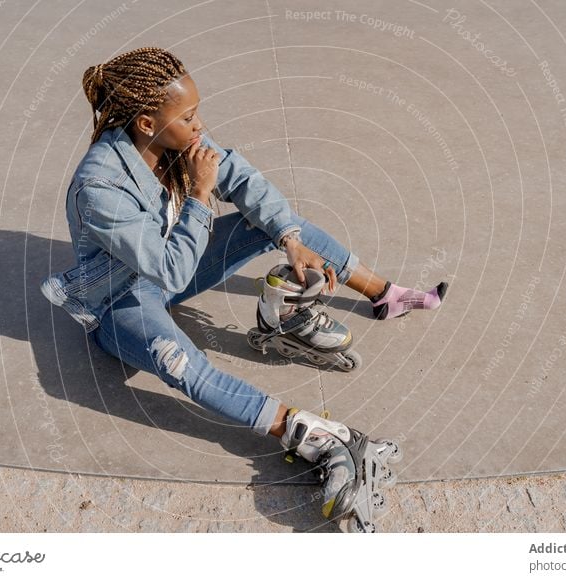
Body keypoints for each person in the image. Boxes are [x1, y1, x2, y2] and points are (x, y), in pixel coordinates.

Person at [41, 47, 447, 527]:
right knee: (182, 363)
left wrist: (290, 242)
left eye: (196, 113)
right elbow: (169, 272)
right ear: (148, 123)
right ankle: (309, 433)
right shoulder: (100, 187)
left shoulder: (176, 138)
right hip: (120, 301)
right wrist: (197, 194)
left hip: (172, 262)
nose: (199, 125)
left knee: (276, 223)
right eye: (189, 116)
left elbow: (244, 182)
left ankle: (384, 294)